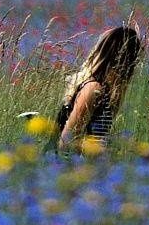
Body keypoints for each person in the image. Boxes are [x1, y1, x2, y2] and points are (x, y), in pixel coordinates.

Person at [53, 24, 142, 155]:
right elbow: (66, 141)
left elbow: (94, 137)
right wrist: (112, 152)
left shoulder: (110, 91)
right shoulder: (94, 88)